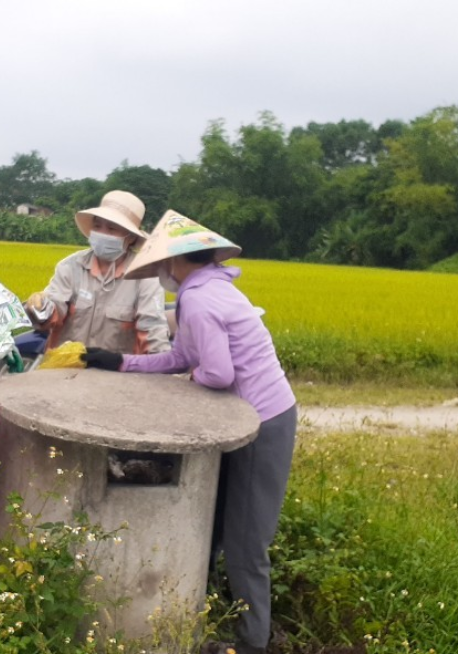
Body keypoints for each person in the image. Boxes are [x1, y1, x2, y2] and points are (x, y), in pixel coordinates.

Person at [81, 210, 297, 654]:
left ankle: (252, 645)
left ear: (174, 262)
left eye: (162, 264)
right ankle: (203, 610)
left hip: (262, 419)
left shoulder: (199, 299)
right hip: (246, 415)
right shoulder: (212, 288)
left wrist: (194, 379)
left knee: (245, 541)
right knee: (215, 523)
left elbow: (216, 373)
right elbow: (181, 358)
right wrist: (120, 361)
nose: (161, 272)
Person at [25, 190, 170, 355]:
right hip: (64, 367)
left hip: (116, 375)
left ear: (130, 237)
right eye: (97, 226)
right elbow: (54, 311)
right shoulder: (71, 267)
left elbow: (152, 327)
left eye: (111, 229)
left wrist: (161, 364)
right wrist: (41, 308)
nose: (102, 234)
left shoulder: (145, 277)